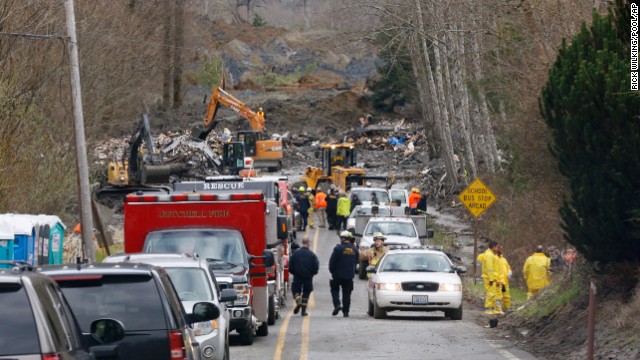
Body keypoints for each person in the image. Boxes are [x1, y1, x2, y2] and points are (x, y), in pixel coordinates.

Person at [329, 231, 359, 317]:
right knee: (347, 293)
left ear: (341, 239)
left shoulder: (338, 248)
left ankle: (337, 305)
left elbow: (332, 262)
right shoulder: (354, 249)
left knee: (334, 290)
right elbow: (357, 261)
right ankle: (346, 312)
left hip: (337, 274)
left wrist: (333, 272)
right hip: (349, 275)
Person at [289, 237, 319, 316]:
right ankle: (303, 311)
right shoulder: (312, 255)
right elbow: (316, 266)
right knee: (306, 292)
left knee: (295, 290)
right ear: (308, 243)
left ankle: (298, 300)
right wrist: (312, 274)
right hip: (308, 277)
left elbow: (291, 266)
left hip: (297, 276)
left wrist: (293, 272)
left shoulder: (296, 254)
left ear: (302, 243)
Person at [477, 241, 503, 315]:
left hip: (494, 278)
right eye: (497, 247)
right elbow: (489, 269)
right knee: (491, 293)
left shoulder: (492, 255)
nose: (498, 248)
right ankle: (488, 309)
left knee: (496, 294)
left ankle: (497, 309)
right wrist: (491, 279)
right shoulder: (489, 255)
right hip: (490, 278)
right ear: (493, 247)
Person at [496, 244, 512, 312]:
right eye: (500, 249)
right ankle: (498, 310)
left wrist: (509, 272)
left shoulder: (503, 259)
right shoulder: (494, 259)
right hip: (497, 282)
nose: (502, 250)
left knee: (506, 297)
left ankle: (507, 308)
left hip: (505, 281)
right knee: (498, 297)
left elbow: (508, 267)